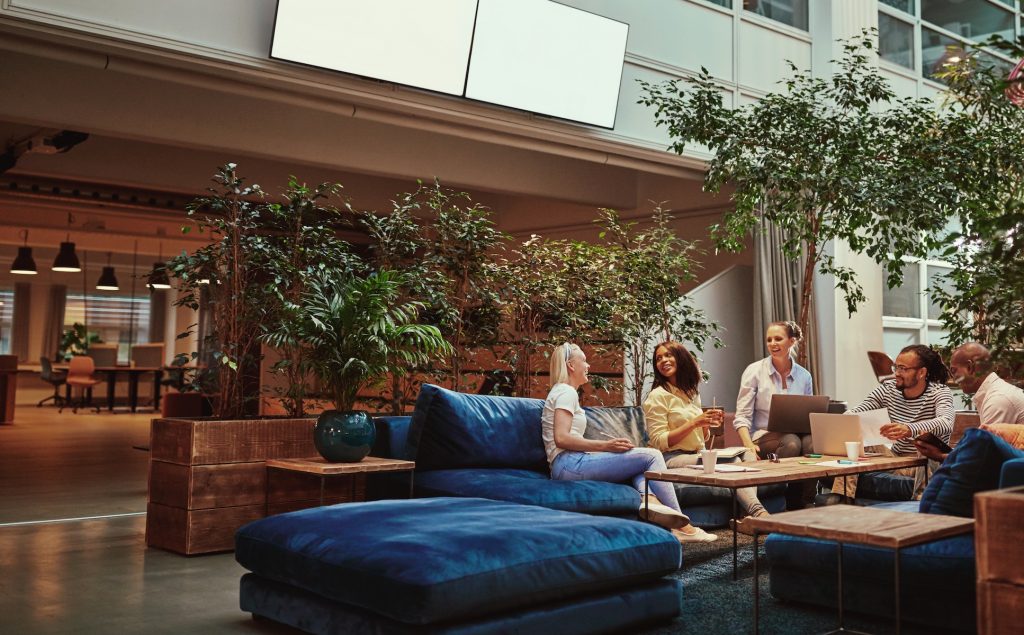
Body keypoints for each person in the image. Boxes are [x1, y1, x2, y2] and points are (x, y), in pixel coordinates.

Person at [542, 343, 717, 544]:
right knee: (651, 455)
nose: (588, 365)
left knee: (637, 461)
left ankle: (649, 499)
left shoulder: (563, 391)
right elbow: (561, 438)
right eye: (584, 360)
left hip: (571, 463)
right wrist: (606, 446)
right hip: (568, 465)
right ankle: (684, 527)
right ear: (571, 365)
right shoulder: (566, 392)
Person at [643, 341, 769, 524]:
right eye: (658, 358)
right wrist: (695, 422)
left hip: (696, 454)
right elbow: (659, 441)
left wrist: (706, 424)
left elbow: (702, 438)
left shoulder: (691, 393)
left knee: (748, 453)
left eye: (668, 355)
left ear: (681, 358)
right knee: (732, 462)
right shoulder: (657, 396)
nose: (663, 360)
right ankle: (759, 514)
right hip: (669, 458)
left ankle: (745, 516)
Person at [834, 344, 955, 500]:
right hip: (895, 458)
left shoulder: (940, 392)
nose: (896, 373)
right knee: (856, 435)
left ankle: (921, 501)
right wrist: (843, 419)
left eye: (903, 369)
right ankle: (840, 498)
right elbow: (857, 411)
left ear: (921, 372)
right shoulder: (888, 389)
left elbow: (946, 422)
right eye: (896, 368)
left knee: (926, 445)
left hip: (922, 461)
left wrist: (909, 429)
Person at [913, 341, 1024, 463]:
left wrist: (940, 456)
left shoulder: (998, 399)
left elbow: (985, 459)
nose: (953, 378)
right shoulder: (994, 393)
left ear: (970, 367)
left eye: (954, 371)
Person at [733, 321, 815, 460]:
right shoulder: (754, 371)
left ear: (792, 341)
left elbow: (808, 416)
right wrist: (748, 445)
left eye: (778, 339)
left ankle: (800, 483)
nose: (772, 343)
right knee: (791, 443)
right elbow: (742, 416)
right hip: (762, 436)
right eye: (769, 340)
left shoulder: (804, 376)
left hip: (795, 434)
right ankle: (777, 482)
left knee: (812, 444)